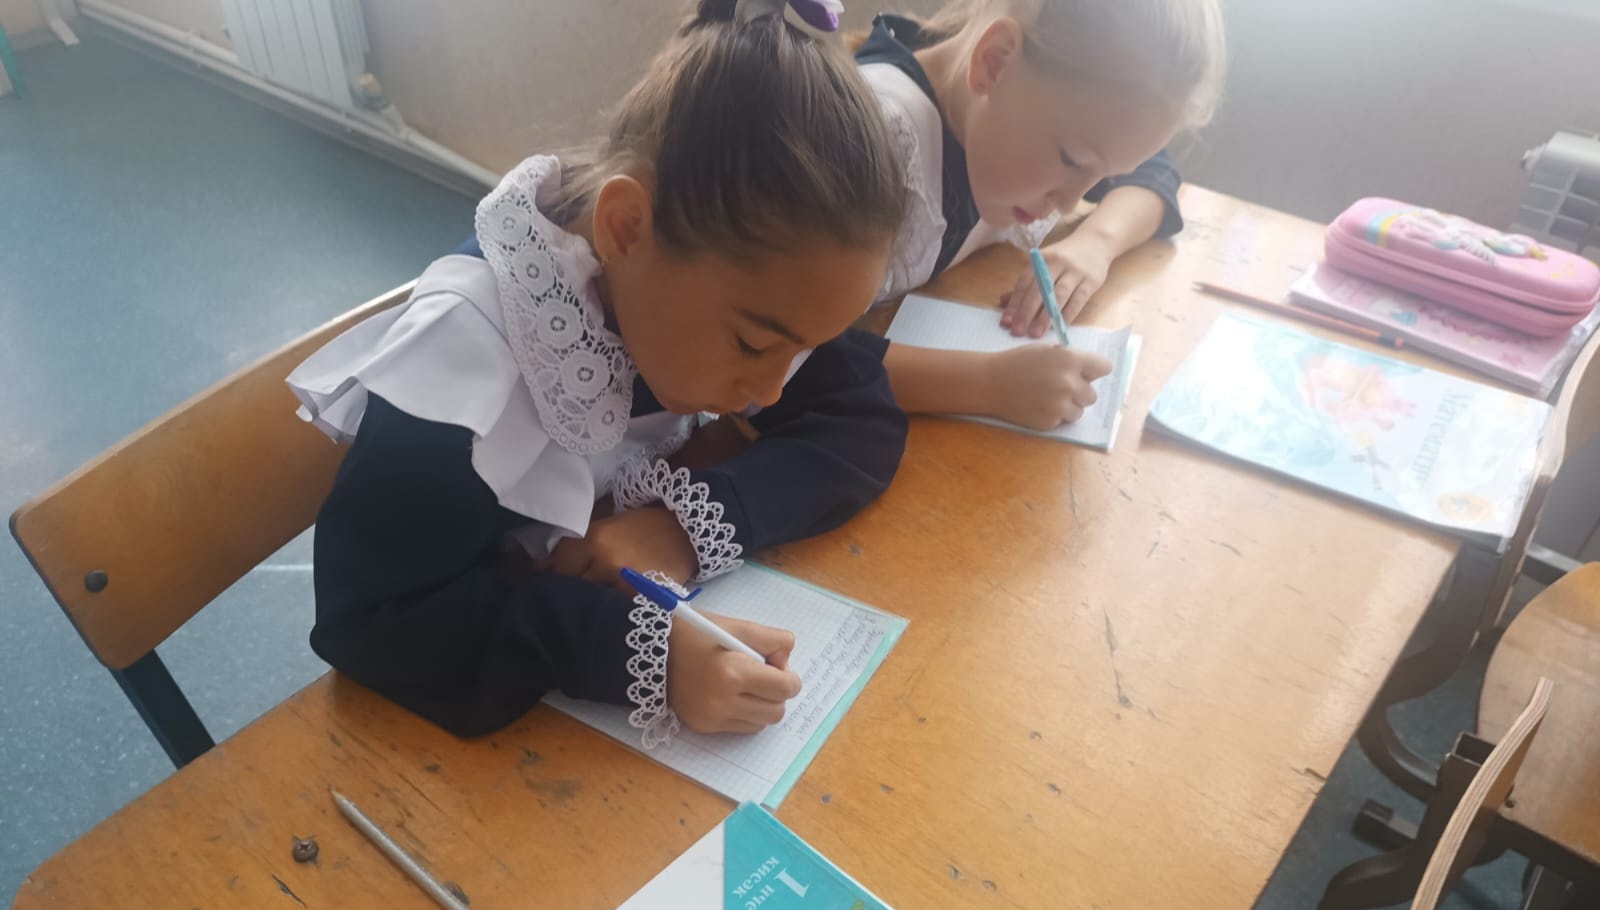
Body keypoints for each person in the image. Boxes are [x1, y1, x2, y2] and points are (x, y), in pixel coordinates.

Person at [289, 0, 907, 745]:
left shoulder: (728, 282)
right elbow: (377, 621)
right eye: (753, 345)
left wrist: (681, 528)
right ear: (625, 228)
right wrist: (643, 654)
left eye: (806, 350)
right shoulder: (461, 365)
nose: (774, 388)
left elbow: (861, 413)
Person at [859, 0, 1226, 430]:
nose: (1071, 203)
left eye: (1104, 174)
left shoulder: (1053, 109)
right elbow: (799, 357)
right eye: (1073, 160)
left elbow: (1154, 174)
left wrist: (1096, 244)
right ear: (995, 63)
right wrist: (988, 384)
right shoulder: (871, 147)